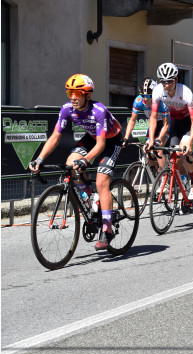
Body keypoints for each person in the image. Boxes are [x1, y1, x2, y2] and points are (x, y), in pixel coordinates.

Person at [29, 74, 123, 250]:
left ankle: (107, 228)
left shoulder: (99, 111)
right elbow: (55, 136)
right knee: (71, 164)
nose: (72, 97)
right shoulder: (67, 109)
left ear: (87, 95)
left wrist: (86, 161)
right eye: (70, 92)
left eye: (77, 93)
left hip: (111, 140)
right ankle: (89, 202)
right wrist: (40, 159)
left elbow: (101, 144)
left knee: (102, 181)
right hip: (91, 137)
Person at [148, 62, 193, 200]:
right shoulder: (157, 91)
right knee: (175, 155)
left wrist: (189, 143)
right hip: (176, 122)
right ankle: (183, 179)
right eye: (163, 81)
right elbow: (153, 118)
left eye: (170, 81)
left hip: (190, 122)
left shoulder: (185, 92)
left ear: (176, 80)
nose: (166, 85)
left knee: (183, 150)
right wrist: (152, 140)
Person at [122, 77, 170, 170]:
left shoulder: (162, 102)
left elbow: (166, 125)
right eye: (143, 96)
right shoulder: (139, 101)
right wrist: (126, 137)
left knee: (158, 149)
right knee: (148, 152)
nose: (146, 100)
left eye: (149, 97)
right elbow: (132, 120)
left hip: (164, 124)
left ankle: (164, 179)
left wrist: (159, 139)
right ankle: (158, 175)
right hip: (152, 124)